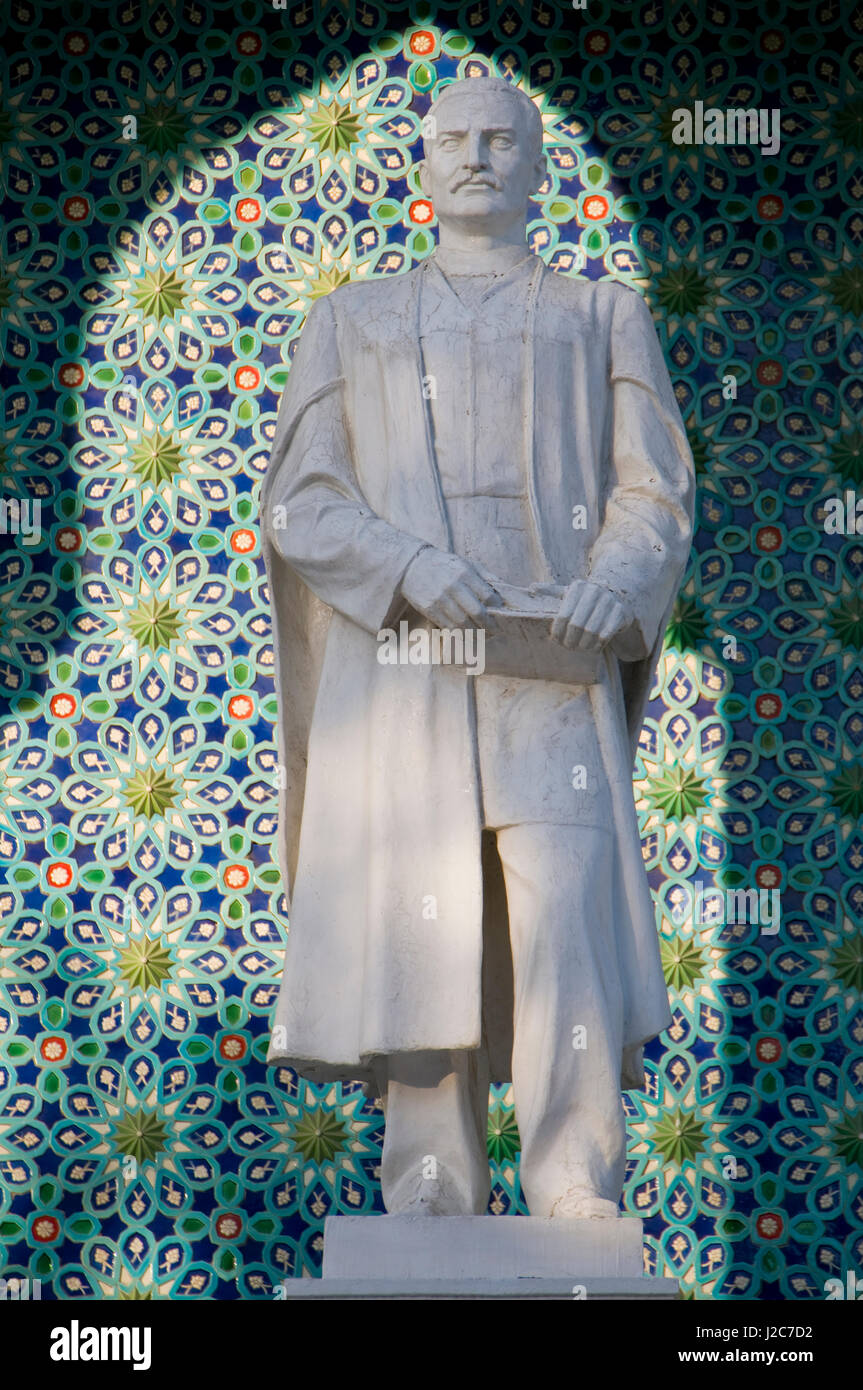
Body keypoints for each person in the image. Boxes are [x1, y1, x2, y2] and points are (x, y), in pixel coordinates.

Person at [263, 75, 694, 1219]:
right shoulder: (349, 319)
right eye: (452, 138)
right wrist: (407, 566)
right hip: (407, 666)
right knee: (421, 911)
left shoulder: (601, 313)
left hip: (548, 657)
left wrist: (616, 579)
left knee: (561, 905)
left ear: (539, 166)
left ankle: (569, 1177)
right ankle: (430, 1183)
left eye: (501, 139)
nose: (475, 156)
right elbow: (302, 502)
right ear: (420, 161)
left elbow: (652, 490)